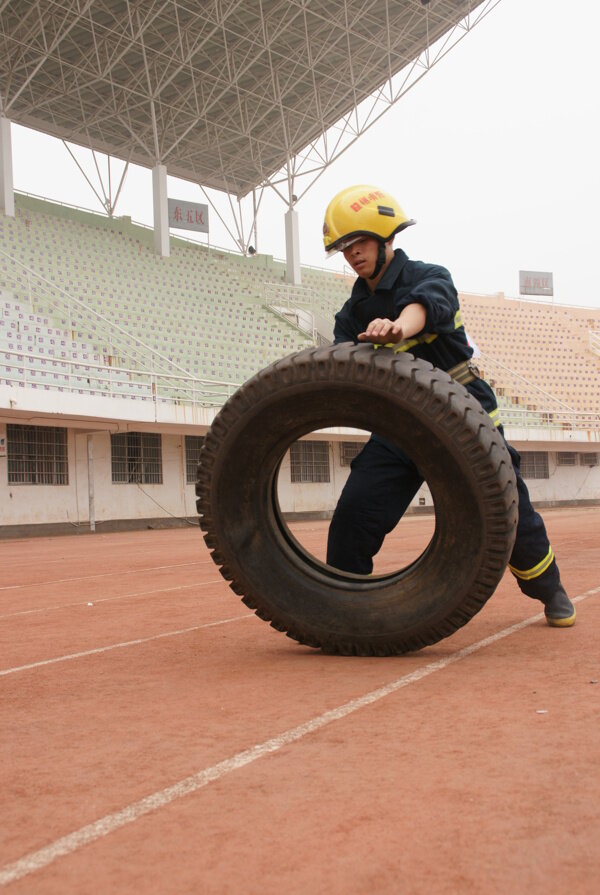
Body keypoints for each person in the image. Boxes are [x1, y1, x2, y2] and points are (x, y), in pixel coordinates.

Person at [322, 184, 576, 627]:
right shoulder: (353, 311)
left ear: (386, 238)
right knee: (354, 515)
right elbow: (341, 360)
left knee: (508, 509)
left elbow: (426, 308)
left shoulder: (429, 275)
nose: (352, 253)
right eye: (344, 246)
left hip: (464, 414)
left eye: (359, 241)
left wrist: (398, 329)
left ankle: (550, 589)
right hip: (400, 428)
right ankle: (340, 609)